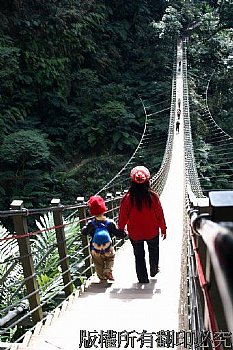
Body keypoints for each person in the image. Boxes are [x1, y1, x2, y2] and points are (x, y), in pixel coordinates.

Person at [118, 166, 167, 284]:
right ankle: (154, 270)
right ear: (148, 181)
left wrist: (120, 228)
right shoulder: (153, 197)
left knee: (139, 256)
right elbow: (159, 214)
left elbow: (122, 216)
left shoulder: (127, 198)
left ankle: (143, 279)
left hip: (135, 233)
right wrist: (163, 228)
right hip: (152, 231)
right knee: (154, 250)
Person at [82, 195, 126, 283]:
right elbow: (118, 234)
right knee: (111, 258)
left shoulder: (91, 223)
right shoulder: (110, 223)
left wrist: (84, 228)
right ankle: (108, 270)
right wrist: (124, 232)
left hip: (95, 249)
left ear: (91, 211)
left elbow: (84, 232)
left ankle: (102, 280)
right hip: (108, 248)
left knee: (98, 265)